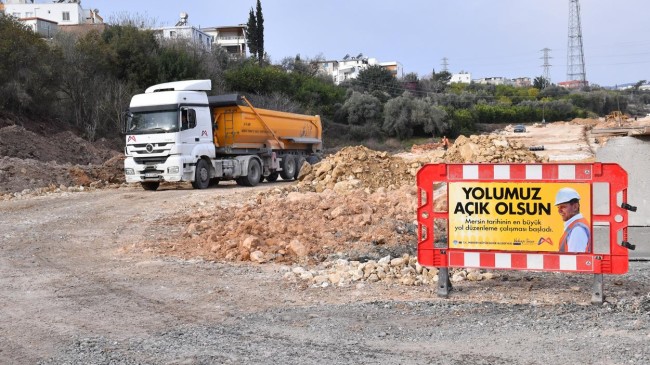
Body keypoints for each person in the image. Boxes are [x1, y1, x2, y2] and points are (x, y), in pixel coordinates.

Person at [555, 187, 591, 252]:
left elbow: (575, 259)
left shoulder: (577, 229)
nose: (559, 211)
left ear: (575, 207)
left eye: (563, 207)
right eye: (558, 207)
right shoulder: (574, 226)